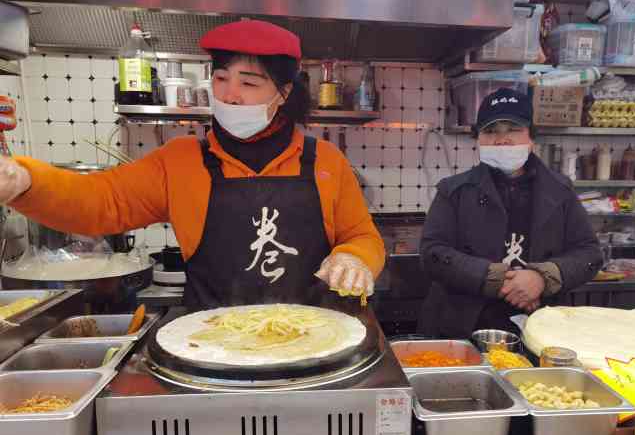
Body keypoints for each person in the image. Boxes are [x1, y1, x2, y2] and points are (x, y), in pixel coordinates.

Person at [0, 20, 384, 310]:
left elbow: (363, 236)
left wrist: (354, 257)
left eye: (249, 84)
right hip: (211, 349)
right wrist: (25, 181)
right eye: (220, 78)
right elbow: (101, 201)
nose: (230, 95)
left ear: (283, 93)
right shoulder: (181, 161)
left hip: (316, 343)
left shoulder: (325, 162)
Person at [419, 87, 602, 337]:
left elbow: (589, 253)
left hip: (540, 327)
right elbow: (432, 253)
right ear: (479, 139)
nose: (501, 139)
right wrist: (496, 279)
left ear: (531, 138)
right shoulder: (454, 191)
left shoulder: (560, 191)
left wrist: (542, 278)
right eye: (491, 131)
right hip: (461, 329)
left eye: (513, 130)